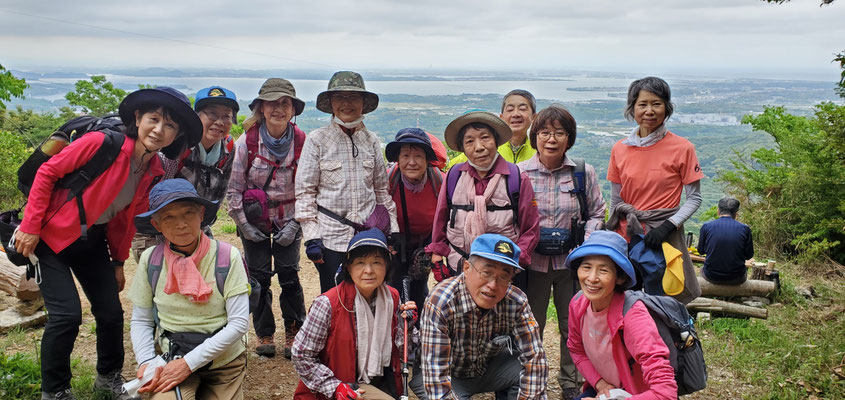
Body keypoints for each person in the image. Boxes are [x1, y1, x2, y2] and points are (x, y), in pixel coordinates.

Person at [14, 87, 202, 400]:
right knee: (66, 316)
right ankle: (55, 391)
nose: (159, 129)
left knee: (111, 312)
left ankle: (108, 377)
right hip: (50, 238)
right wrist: (31, 227)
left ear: (176, 135)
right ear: (138, 118)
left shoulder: (152, 170)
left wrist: (117, 262)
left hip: (92, 240)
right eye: (154, 119)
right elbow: (47, 172)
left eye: (169, 126)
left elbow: (123, 220)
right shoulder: (102, 142)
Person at [128, 179, 250, 400]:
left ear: (201, 214)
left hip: (223, 361)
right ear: (156, 225)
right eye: (168, 217)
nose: (181, 224)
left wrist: (189, 364)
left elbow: (239, 323)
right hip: (171, 357)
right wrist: (147, 362)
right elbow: (141, 320)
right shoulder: (150, 261)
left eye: (188, 213)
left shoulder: (227, 257)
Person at [517, 105, 606, 400]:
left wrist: (586, 245)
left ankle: (572, 381)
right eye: (544, 132)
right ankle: (531, 377)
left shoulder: (583, 172)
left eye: (559, 132)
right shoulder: (520, 174)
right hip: (534, 262)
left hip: (572, 263)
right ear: (535, 136)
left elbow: (597, 211)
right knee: (532, 325)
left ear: (569, 138)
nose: (551, 139)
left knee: (574, 326)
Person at [295, 71, 399, 293]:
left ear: (363, 103)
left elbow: (381, 191)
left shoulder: (371, 141)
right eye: (339, 98)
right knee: (335, 297)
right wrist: (312, 237)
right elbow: (305, 192)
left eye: (353, 97)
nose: (346, 104)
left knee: (369, 294)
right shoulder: (317, 140)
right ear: (331, 103)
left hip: (367, 235)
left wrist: (394, 230)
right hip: (331, 237)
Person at [225, 78, 307, 358]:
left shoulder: (302, 142)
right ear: (261, 108)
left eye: (285, 103)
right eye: (272, 103)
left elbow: (309, 188)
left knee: (289, 275)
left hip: (289, 218)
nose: (278, 109)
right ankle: (264, 333)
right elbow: (234, 187)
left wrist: (296, 223)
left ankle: (295, 328)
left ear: (293, 109)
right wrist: (244, 226)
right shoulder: (246, 142)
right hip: (254, 219)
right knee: (258, 277)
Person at [605, 76, 703, 304]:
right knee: (624, 298)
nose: (649, 110)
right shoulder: (620, 149)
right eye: (642, 104)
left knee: (661, 300)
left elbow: (694, 198)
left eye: (656, 104)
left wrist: (669, 225)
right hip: (627, 234)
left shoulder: (682, 148)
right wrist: (611, 234)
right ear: (632, 108)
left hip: (664, 235)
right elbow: (615, 199)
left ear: (667, 108)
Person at [292, 228, 417, 400]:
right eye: (360, 263)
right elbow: (301, 354)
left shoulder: (392, 298)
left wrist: (408, 325)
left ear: (387, 267)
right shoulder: (328, 303)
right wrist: (335, 387)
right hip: (338, 388)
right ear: (348, 268)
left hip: (380, 380)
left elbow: (405, 351)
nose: (368, 270)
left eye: (376, 262)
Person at [421, 233, 548, 399]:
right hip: (448, 374)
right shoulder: (441, 302)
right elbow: (436, 378)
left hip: (486, 369)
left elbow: (534, 358)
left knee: (525, 369)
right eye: (486, 273)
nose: (493, 285)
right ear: (466, 268)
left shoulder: (516, 301)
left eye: (503, 277)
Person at [425, 111, 539, 292]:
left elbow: (530, 229)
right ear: (463, 147)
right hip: (460, 266)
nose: (479, 147)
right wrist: (438, 255)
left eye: (485, 138)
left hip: (502, 272)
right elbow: (442, 217)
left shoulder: (516, 179)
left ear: (496, 140)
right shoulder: (454, 176)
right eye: (469, 141)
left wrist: (514, 262)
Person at [131, 85, 240, 261]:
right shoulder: (178, 146)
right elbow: (159, 196)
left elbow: (221, 191)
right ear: (197, 117)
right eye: (211, 114)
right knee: (163, 283)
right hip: (155, 230)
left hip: (195, 228)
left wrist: (202, 226)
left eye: (226, 116)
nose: (219, 122)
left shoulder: (227, 148)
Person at [565, 231, 677, 400]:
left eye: (603, 270)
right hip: (605, 389)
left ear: (619, 277)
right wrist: (600, 384)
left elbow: (666, 392)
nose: (592, 278)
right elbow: (576, 349)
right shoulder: (578, 302)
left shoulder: (633, 316)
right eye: (586, 267)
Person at [384, 127, 444, 399]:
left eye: (417, 155)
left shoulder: (438, 181)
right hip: (397, 243)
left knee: (419, 293)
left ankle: (416, 350)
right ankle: (392, 353)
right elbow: (377, 210)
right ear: (397, 158)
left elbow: (448, 215)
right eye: (405, 155)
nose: (411, 161)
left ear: (428, 159)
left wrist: (435, 249)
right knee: (393, 292)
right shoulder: (390, 179)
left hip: (426, 244)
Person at [448, 90, 538, 167]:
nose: (516, 114)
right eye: (510, 110)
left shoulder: (538, 151)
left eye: (522, 109)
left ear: (534, 117)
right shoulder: (489, 146)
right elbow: (454, 166)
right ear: (501, 117)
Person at [698, 197, 754, 285]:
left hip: (712, 276)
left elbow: (701, 251)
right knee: (743, 271)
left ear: (718, 211)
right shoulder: (745, 229)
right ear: (736, 214)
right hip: (737, 277)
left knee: (702, 269)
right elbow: (748, 255)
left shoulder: (706, 226)